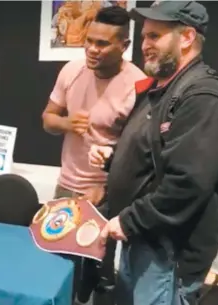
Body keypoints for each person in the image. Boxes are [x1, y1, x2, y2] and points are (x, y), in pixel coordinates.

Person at [89, 1, 218, 304]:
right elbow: (156, 159)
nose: (145, 45)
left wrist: (129, 221)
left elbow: (188, 182)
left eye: (155, 36)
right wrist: (114, 159)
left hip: (168, 253)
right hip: (143, 241)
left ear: (186, 38)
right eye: (144, 37)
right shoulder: (162, 89)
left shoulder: (203, 97)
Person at [41, 6, 146, 304]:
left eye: (102, 44)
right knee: (59, 265)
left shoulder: (138, 86)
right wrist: (66, 123)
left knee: (99, 273)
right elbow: (47, 119)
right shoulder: (72, 70)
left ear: (124, 46)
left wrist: (107, 187)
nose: (92, 49)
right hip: (66, 186)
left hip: (107, 193)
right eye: (89, 40)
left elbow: (139, 154)